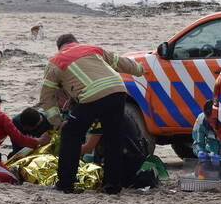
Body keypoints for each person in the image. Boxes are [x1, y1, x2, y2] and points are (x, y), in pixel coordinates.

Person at [39, 33, 144, 194]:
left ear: (59, 47)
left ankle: (65, 184)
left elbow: (47, 95)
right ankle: (112, 185)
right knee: (113, 138)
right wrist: (140, 70)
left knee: (70, 134)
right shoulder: (93, 49)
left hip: (91, 95)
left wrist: (57, 122)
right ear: (76, 42)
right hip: (118, 90)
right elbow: (121, 62)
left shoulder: (55, 61)